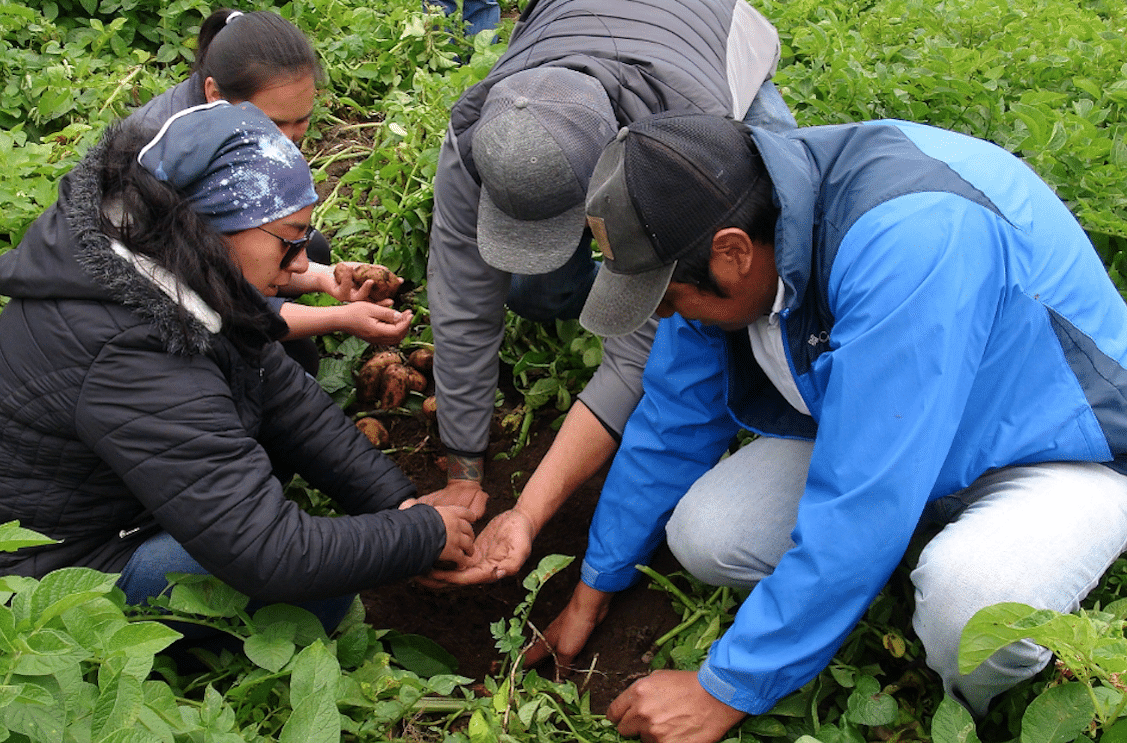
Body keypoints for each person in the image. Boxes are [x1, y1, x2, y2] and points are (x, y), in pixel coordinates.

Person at [523, 110, 1127, 743]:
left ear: (733, 253)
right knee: (707, 535)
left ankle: (962, 707)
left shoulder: (911, 236)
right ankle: (884, 563)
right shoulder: (726, 225)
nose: (672, 316)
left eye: (671, 299)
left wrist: (723, 689)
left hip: (1055, 450)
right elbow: (674, 420)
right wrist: (594, 587)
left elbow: (865, 496)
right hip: (900, 438)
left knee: (973, 611)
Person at [0, 102, 478, 633]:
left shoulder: (169, 263)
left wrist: (397, 503)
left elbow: (287, 398)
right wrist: (418, 536)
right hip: (28, 573)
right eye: (289, 242)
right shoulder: (130, 349)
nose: (304, 265)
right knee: (315, 593)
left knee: (280, 464)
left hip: (105, 507)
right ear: (210, 229)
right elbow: (270, 553)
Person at [424, 0, 797, 583]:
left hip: (710, 37)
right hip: (576, 24)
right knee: (536, 291)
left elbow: (635, 355)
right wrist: (462, 468)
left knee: (778, 248)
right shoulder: (483, 134)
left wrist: (530, 514)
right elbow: (461, 303)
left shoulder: (685, 147)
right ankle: (597, 292)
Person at [131, 8, 412, 373]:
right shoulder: (163, 171)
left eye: (302, 122)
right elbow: (211, 300)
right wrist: (340, 319)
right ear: (213, 94)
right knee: (292, 363)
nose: (290, 141)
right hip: (156, 313)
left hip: (207, 275)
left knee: (314, 252)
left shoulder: (235, 119)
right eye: (276, 124)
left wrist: (328, 279)